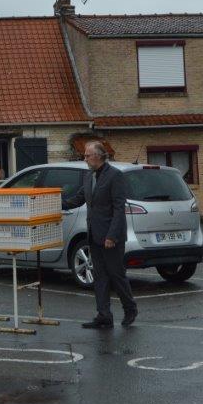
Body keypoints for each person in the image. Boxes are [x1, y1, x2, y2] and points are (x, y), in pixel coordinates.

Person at [62, 140, 138, 328]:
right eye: (85, 156)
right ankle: (104, 315)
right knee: (100, 275)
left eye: (87, 155)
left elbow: (119, 209)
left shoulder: (115, 176)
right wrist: (54, 203)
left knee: (116, 274)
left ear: (99, 156)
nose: (85, 159)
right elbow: (78, 199)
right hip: (94, 235)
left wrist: (112, 236)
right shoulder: (89, 177)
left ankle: (130, 309)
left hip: (111, 237)